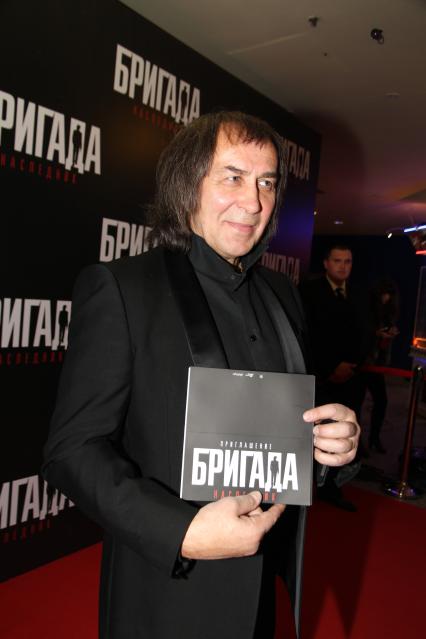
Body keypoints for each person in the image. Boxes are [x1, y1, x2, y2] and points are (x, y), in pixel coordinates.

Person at [43, 112, 360, 639]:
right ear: (186, 182)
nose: (253, 202)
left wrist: (332, 446)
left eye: (266, 183)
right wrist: (181, 531)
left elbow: (294, 429)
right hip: (168, 592)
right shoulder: (122, 289)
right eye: (233, 177)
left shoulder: (282, 295)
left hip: (263, 591)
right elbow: (71, 451)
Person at [299, 245, 367, 511]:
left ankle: (331, 486)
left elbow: (366, 332)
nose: (343, 266)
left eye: (348, 261)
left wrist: (352, 366)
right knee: (319, 433)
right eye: (337, 261)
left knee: (344, 434)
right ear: (326, 263)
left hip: (352, 378)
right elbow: (307, 335)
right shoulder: (308, 292)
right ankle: (312, 482)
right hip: (321, 379)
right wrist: (330, 369)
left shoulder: (359, 294)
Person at [361, 278, 399, 453]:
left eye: (389, 295)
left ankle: (374, 438)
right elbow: (361, 332)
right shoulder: (367, 309)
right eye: (384, 295)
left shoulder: (388, 312)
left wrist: (389, 333)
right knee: (357, 402)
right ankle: (360, 443)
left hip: (376, 363)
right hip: (362, 362)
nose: (386, 298)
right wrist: (376, 334)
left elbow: (383, 340)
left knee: (381, 401)